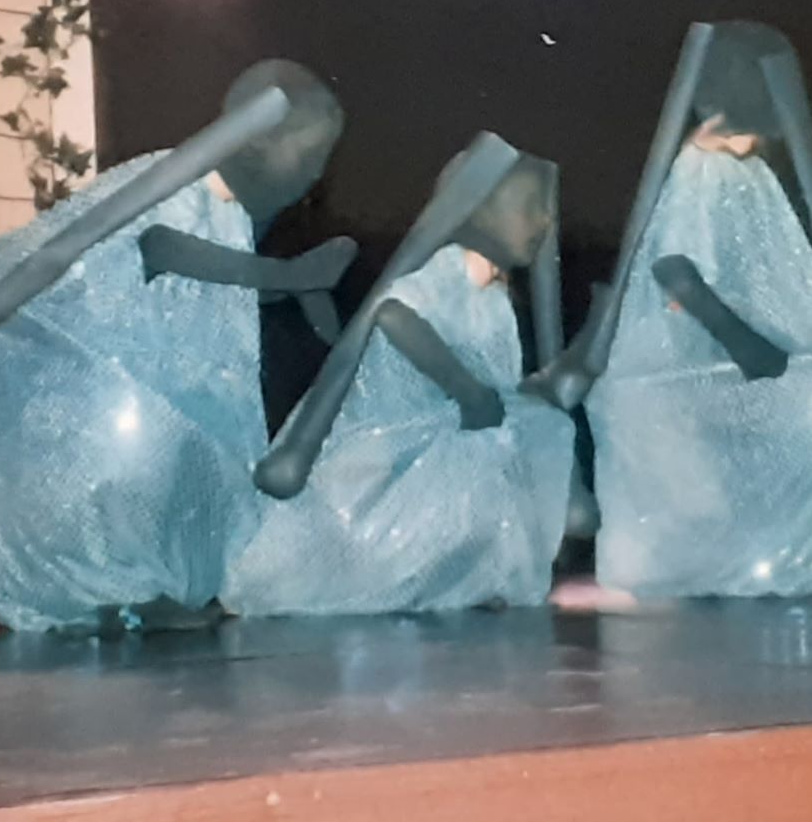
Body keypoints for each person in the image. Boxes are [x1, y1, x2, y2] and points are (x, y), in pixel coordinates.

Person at [0, 61, 353, 633]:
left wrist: (293, 286)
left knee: (186, 467)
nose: (313, 177)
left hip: (172, 372)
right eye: (308, 158)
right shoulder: (177, 181)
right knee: (135, 465)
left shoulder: (228, 212)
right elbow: (156, 249)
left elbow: (210, 287)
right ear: (260, 142)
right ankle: (120, 593)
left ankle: (150, 589)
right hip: (118, 368)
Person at [533, 21, 812, 599]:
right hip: (684, 362)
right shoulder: (703, 172)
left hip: (713, 358)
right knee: (701, 491)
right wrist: (743, 343)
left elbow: (779, 277)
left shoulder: (743, 172)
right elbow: (676, 271)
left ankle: (741, 565)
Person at [225, 133, 577, 616]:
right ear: (481, 211)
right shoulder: (445, 273)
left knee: (538, 429)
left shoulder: (493, 301)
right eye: (530, 207)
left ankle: (464, 571)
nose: (543, 222)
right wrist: (463, 388)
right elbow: (394, 312)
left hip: (445, 446)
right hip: (390, 453)